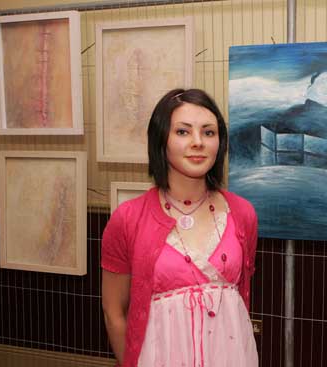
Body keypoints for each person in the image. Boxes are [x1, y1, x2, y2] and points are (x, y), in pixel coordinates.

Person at [101, 88, 259, 367]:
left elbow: (241, 299)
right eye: (183, 132)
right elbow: (114, 311)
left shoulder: (242, 214)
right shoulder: (128, 219)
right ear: (161, 140)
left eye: (209, 132)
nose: (198, 142)